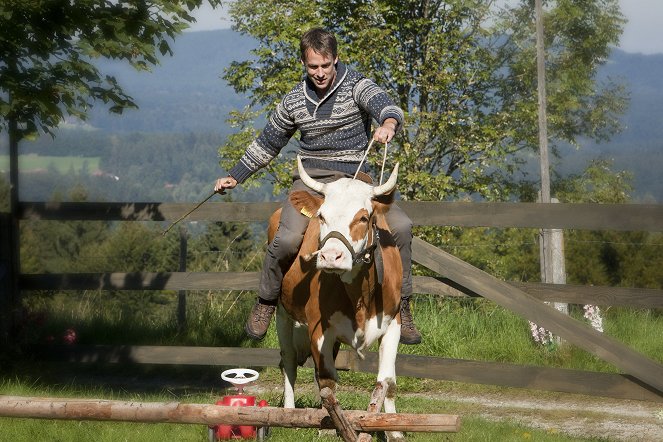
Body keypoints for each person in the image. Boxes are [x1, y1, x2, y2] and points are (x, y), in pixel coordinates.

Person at [214, 28, 421, 345]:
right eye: (313, 67)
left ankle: (402, 307)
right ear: (303, 63)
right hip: (313, 181)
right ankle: (266, 302)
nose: (321, 73)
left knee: (403, 227)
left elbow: (386, 105)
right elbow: (269, 142)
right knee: (285, 240)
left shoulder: (356, 86)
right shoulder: (294, 100)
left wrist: (388, 123)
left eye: (326, 65)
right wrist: (236, 175)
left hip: (356, 181)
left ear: (336, 59)